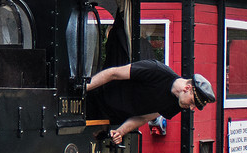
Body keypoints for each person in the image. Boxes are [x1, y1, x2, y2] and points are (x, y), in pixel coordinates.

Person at [85, 61, 215, 145]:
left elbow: (144, 117)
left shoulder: (177, 104)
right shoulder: (156, 71)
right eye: (192, 102)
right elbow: (113, 73)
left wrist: (120, 131)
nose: (191, 108)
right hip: (94, 100)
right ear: (187, 89)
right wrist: (85, 88)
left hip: (111, 119)